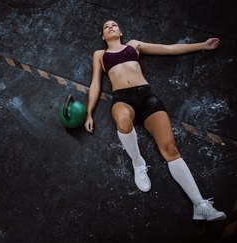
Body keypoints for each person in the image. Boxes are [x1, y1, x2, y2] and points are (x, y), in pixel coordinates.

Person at [84, 20, 226, 221]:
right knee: (123, 120)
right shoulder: (100, 55)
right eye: (106, 27)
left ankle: (200, 205)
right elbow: (95, 84)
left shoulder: (134, 45)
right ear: (103, 37)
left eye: (114, 25)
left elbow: (168, 49)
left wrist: (202, 45)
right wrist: (89, 112)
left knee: (171, 150)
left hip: (147, 98)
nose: (110, 27)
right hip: (123, 100)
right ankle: (138, 162)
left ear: (121, 32)